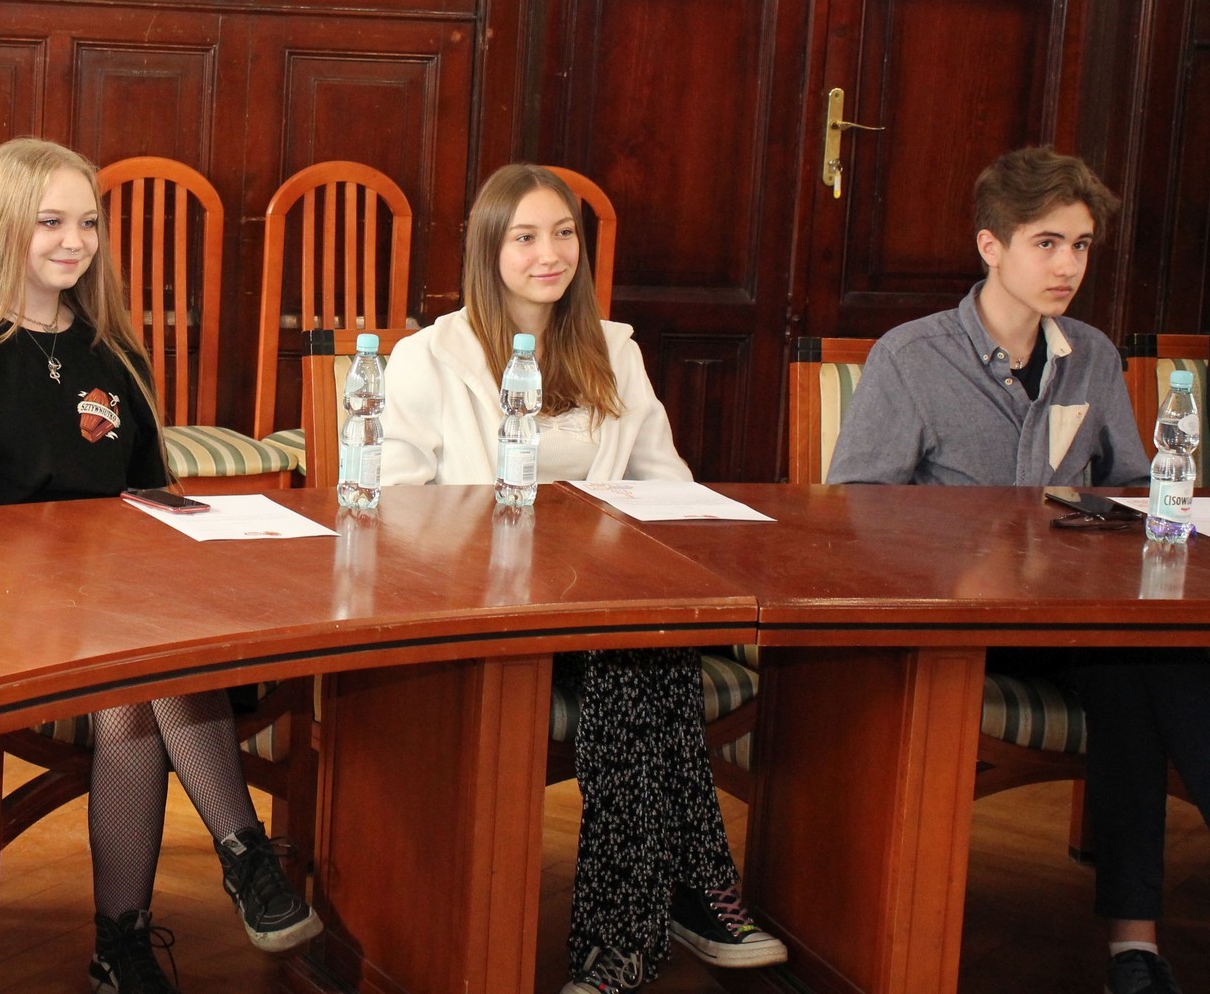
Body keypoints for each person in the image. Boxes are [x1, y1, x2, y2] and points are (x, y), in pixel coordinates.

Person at [0, 137, 320, 994]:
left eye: (87, 223)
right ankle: (240, 856)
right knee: (141, 656)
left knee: (134, 674)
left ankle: (121, 948)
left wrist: (215, 535)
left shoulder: (111, 354)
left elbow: (150, 498)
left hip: (117, 616)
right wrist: (45, 581)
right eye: (50, 221)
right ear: (5, 226)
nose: (74, 241)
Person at [379, 163, 787, 994]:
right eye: (526, 237)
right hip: (486, 607)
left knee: (641, 649)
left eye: (564, 234)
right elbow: (395, 504)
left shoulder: (612, 349)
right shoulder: (430, 357)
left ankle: (627, 937)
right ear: (489, 250)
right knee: (646, 659)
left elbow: (667, 482)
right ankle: (687, 897)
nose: (550, 254)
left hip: (601, 604)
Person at [829, 145, 1210, 994]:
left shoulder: (1092, 355)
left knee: (1155, 661)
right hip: (963, 622)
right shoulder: (911, 356)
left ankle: (1134, 949)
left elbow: (1132, 483)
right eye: (1047, 243)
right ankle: (1134, 947)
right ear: (991, 246)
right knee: (1147, 666)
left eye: (1081, 245)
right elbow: (857, 509)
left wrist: (1123, 511)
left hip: (1073, 615)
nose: (1068, 265)